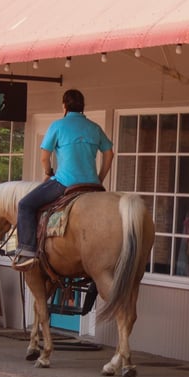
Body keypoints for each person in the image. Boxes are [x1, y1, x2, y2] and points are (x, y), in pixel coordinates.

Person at [13, 89, 114, 271]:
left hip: (65, 182)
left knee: (25, 205)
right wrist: (99, 178)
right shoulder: (95, 128)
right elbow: (109, 153)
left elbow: (44, 157)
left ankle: (26, 252)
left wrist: (49, 171)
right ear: (83, 107)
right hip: (91, 185)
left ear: (64, 106)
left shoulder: (58, 126)